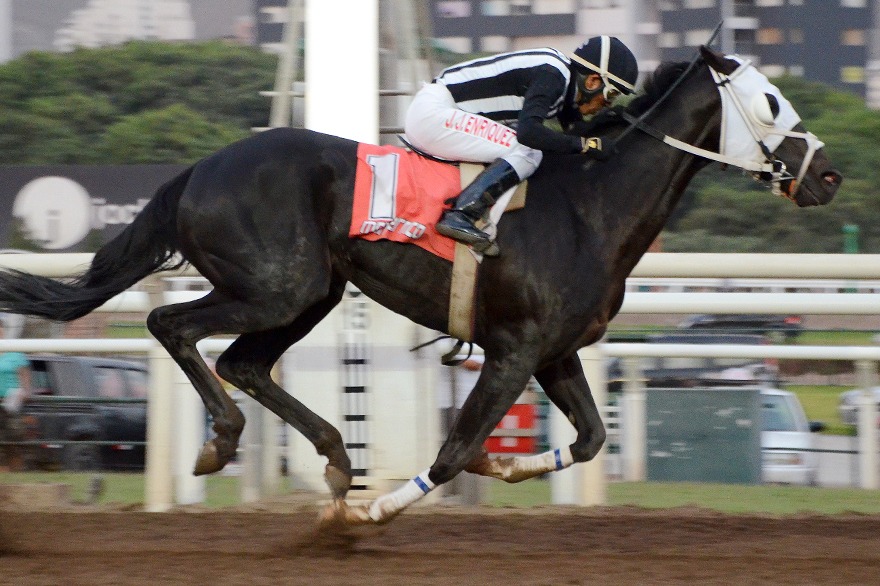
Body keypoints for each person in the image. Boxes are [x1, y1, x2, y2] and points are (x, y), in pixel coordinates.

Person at [404, 35, 638, 255]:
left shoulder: (561, 82)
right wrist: (585, 145)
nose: (607, 103)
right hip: (435, 114)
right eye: (611, 95)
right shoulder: (553, 75)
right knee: (528, 151)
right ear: (593, 81)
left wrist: (606, 127)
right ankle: (462, 214)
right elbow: (530, 133)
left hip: (438, 113)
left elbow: (574, 130)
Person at [0, 323, 32, 471]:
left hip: (11, 405)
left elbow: (26, 385)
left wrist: (22, 394)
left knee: (13, 440)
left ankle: (16, 472)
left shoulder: (15, 354)